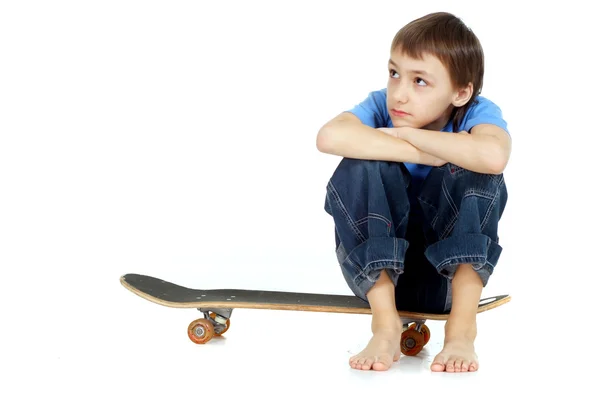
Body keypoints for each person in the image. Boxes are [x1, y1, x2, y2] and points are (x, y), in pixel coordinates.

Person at [316, 11, 511, 373]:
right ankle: (385, 326)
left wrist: (404, 135)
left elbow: (494, 156)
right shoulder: (380, 105)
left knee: (475, 170)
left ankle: (461, 330)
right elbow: (328, 137)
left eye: (420, 81)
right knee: (361, 163)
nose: (399, 94)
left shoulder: (476, 112)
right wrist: (423, 150)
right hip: (378, 279)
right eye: (394, 74)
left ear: (461, 92)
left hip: (448, 283)